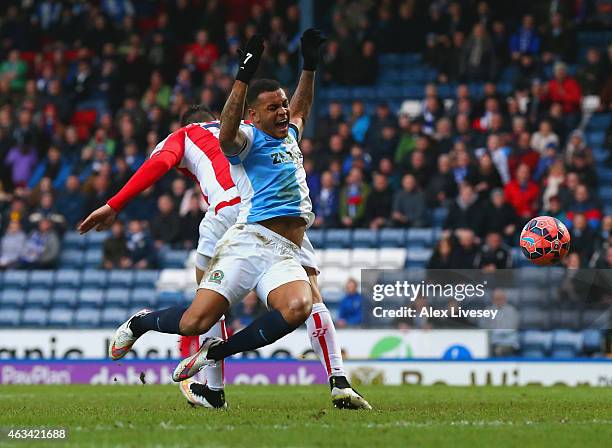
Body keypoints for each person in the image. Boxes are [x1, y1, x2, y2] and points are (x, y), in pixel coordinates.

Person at [79, 34, 369, 410]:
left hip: (278, 243)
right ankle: (143, 324)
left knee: (299, 306)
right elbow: (229, 132)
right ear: (247, 115)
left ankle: (216, 365)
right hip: (245, 233)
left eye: (281, 105)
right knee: (194, 322)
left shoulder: (282, 134)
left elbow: (298, 111)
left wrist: (309, 66)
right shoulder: (239, 138)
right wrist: (243, 75)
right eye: (272, 107)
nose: (281, 111)